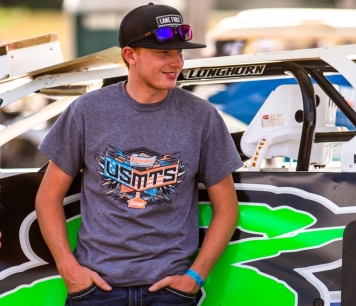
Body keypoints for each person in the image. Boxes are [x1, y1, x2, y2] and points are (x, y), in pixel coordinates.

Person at [35, 3, 243, 305]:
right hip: (96, 289)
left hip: (169, 291)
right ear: (130, 55)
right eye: (164, 53)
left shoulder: (202, 116)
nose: (176, 62)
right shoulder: (87, 111)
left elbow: (227, 208)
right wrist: (68, 267)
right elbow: (48, 196)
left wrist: (194, 278)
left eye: (180, 52)